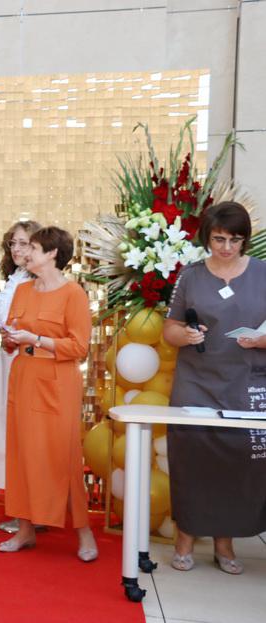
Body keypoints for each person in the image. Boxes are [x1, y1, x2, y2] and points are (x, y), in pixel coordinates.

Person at [162, 201, 266, 575]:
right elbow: (169, 329)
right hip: (196, 383)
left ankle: (226, 542)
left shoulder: (263, 273)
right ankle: (185, 538)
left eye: (235, 240)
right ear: (207, 237)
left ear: (245, 240)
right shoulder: (190, 276)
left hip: (246, 381)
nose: (226, 247)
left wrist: (261, 341)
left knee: (237, 463)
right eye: (219, 239)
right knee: (191, 459)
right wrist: (186, 335)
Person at [0, 226, 98, 561]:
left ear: (53, 253)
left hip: (57, 382)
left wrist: (36, 339)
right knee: (22, 454)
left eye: (34, 247)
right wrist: (10, 339)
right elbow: (13, 338)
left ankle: (83, 532)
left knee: (62, 457)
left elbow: (79, 347)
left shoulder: (73, 294)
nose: (25, 253)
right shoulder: (23, 290)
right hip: (23, 377)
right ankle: (25, 529)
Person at [0, 220, 42, 535]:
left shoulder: (42, 282)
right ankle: (22, 508)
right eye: (12, 243)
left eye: (23, 243)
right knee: (5, 431)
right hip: (8, 360)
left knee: (26, 434)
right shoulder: (15, 278)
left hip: (29, 361)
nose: (16, 249)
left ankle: (34, 510)